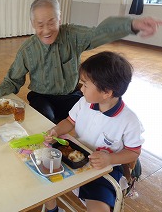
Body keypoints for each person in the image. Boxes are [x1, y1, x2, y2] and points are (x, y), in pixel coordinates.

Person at [0, 0, 162, 124]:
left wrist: (132, 24)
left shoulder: (72, 35)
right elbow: (13, 80)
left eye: (51, 22)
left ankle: (126, 162)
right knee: (46, 120)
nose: (46, 30)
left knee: (98, 120)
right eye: (40, 25)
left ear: (59, 18)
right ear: (32, 24)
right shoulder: (27, 50)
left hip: (72, 95)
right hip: (42, 98)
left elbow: (99, 33)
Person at [43, 51, 145, 212]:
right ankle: (52, 209)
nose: (81, 88)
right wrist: (56, 130)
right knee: (43, 174)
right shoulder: (84, 102)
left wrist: (110, 158)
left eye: (85, 84)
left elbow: (133, 152)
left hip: (103, 170)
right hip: (73, 158)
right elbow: (70, 121)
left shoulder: (129, 121)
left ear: (107, 92)